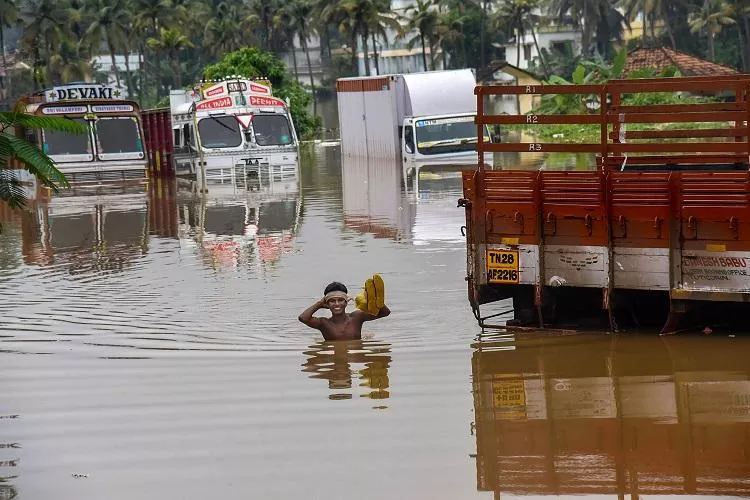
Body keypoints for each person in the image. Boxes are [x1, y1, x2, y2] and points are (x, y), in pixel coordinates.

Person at [298, 281, 390, 341]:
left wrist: (375, 300)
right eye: (332, 301)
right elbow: (303, 318)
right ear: (327, 303)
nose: (337, 304)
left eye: (340, 300)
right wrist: (319, 303)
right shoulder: (324, 323)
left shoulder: (357, 317)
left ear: (346, 302)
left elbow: (385, 313)